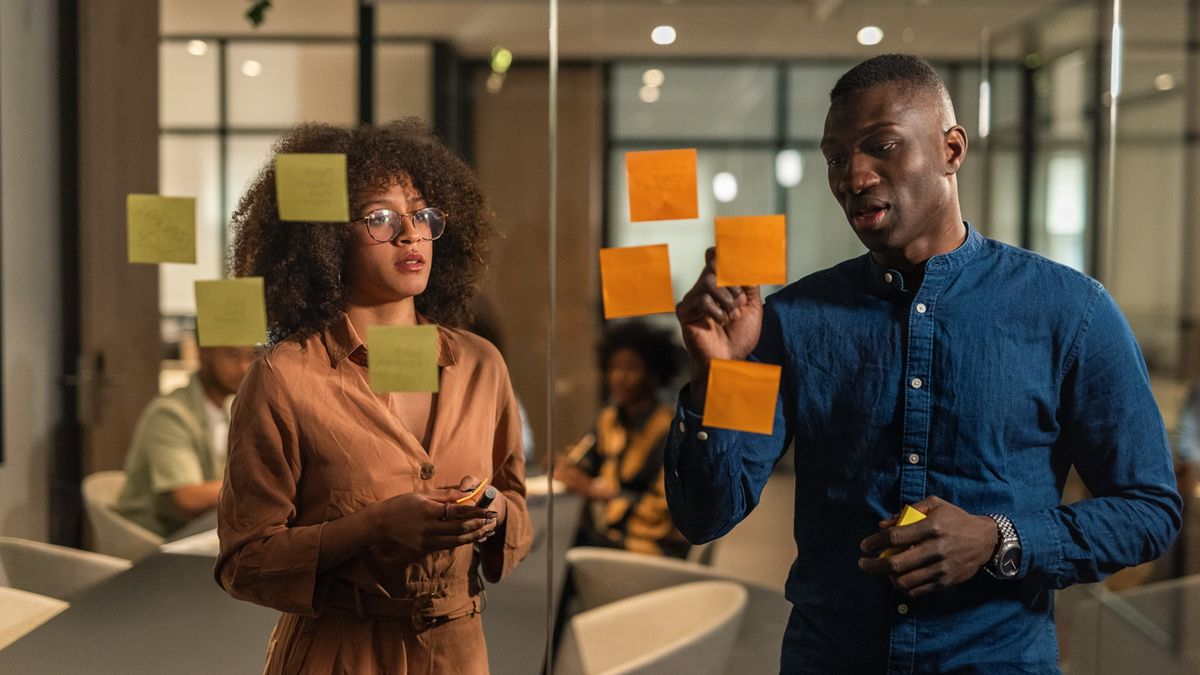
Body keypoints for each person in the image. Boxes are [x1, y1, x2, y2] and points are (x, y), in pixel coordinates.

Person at [666, 54, 1182, 672]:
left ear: (951, 150)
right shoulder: (791, 320)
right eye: (835, 158)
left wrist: (999, 538)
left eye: (881, 146)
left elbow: (1148, 510)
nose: (853, 176)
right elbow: (707, 514)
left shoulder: (1070, 311)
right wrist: (716, 376)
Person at [215, 120, 532, 674]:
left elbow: (517, 511)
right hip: (342, 652)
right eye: (380, 217)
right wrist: (373, 527)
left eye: (423, 215)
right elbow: (245, 563)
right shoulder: (284, 378)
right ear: (326, 237)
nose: (410, 235)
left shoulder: (482, 365)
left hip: (459, 652)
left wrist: (495, 511)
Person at [556, 321, 690, 558]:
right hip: (614, 539)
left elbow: (665, 510)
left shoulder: (670, 429)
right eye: (613, 368)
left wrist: (597, 493)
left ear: (654, 374)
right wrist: (567, 470)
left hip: (654, 548)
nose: (618, 377)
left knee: (566, 549)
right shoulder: (609, 419)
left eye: (631, 369)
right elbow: (584, 460)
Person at [116, 344, 253, 537]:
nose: (245, 367)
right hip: (154, 539)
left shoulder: (230, 410)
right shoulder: (170, 413)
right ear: (203, 354)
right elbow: (188, 499)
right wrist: (254, 485)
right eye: (233, 356)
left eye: (251, 356)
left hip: (197, 530)